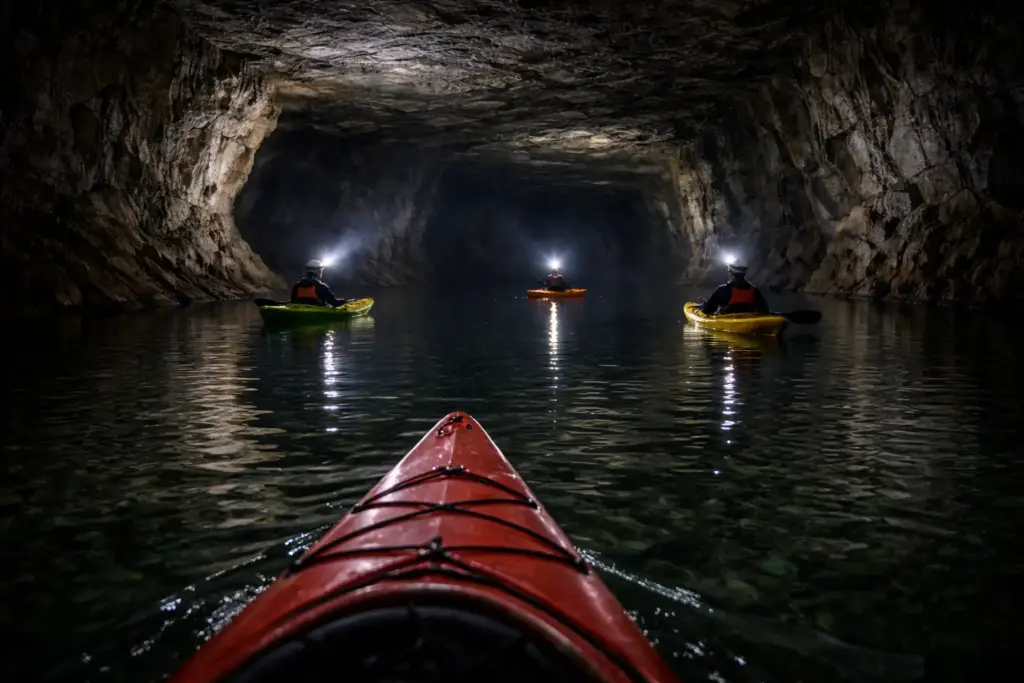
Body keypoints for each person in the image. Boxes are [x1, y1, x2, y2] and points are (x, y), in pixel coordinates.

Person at [700, 262, 769, 315]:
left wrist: (704, 306)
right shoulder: (754, 290)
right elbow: (764, 311)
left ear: (730, 273)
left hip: (727, 322)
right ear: (744, 273)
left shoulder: (723, 290)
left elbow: (708, 311)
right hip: (748, 321)